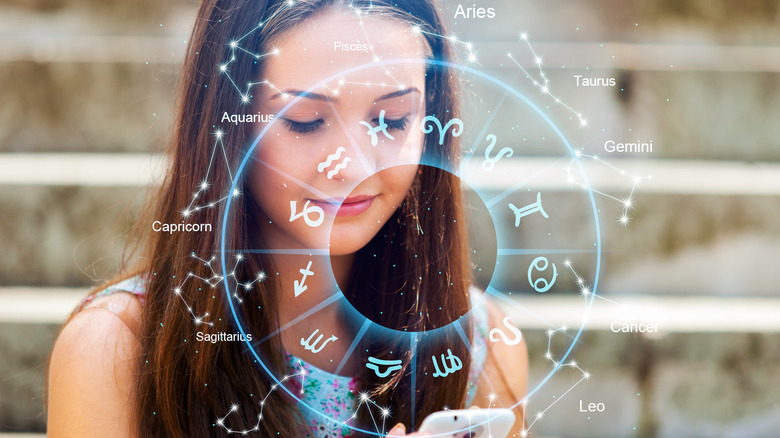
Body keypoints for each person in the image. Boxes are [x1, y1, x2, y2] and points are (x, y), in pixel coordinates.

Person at [46, 0, 528, 436]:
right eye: (305, 121)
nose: (356, 167)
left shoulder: (480, 347)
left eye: (393, 118)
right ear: (228, 123)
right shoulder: (115, 351)